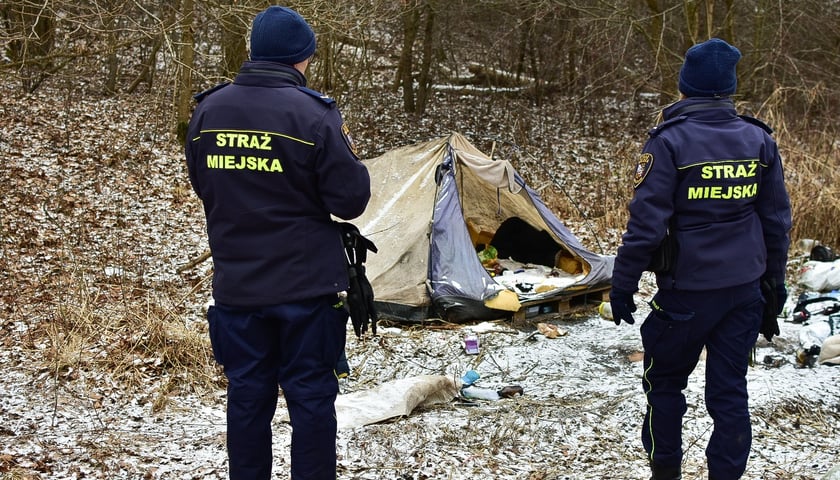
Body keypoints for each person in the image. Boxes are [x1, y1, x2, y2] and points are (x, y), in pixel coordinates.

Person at [185, 5, 371, 479]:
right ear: (300, 58)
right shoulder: (313, 115)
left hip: (237, 288)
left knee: (247, 397)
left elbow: (203, 184)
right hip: (304, 292)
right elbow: (351, 200)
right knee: (310, 399)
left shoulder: (209, 110)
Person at [609, 38, 791, 480]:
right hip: (743, 291)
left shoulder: (668, 144)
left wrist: (623, 283)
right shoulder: (757, 140)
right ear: (729, 89)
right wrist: (773, 286)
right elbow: (776, 222)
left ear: (685, 86)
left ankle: (665, 472)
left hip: (686, 295)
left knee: (664, 385)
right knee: (730, 394)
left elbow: (646, 228)